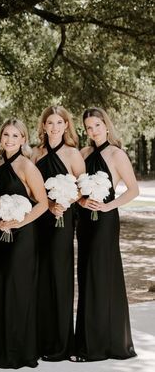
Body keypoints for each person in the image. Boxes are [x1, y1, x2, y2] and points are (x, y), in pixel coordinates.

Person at [74, 107, 138, 362]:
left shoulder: (116, 154)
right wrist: (81, 202)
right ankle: (87, 341)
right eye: (89, 127)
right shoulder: (83, 153)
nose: (93, 131)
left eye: (97, 125)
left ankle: (106, 343)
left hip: (105, 220)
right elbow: (75, 188)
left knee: (102, 274)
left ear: (106, 126)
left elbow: (132, 190)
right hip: (85, 221)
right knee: (86, 274)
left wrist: (108, 205)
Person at [0, 118, 48, 369]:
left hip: (22, 237)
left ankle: (19, 351)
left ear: (24, 139)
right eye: (6, 135)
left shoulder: (27, 166)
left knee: (18, 290)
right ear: (0, 138)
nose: (10, 140)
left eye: (15, 136)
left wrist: (18, 223)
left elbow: (43, 203)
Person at [31, 105, 85, 361]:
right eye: (49, 123)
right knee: (39, 277)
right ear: (43, 126)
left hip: (62, 221)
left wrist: (66, 201)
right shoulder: (34, 153)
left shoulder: (73, 154)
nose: (54, 127)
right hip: (38, 221)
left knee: (60, 278)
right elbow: (30, 189)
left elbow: (82, 189)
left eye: (59, 123)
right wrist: (46, 204)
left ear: (66, 126)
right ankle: (40, 340)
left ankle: (62, 344)